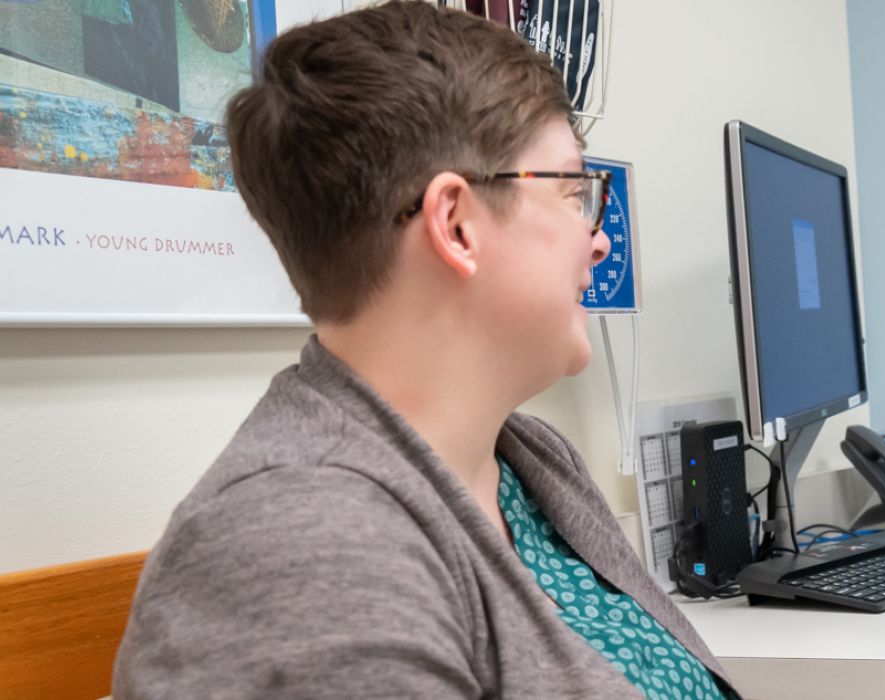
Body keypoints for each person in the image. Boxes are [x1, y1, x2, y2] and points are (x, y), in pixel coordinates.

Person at [113, 3, 736, 698]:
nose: (598, 239)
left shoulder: (529, 461)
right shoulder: (303, 545)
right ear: (457, 224)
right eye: (572, 191)